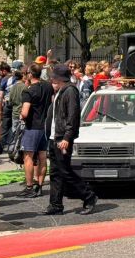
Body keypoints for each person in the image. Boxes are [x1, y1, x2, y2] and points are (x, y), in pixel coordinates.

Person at [44, 65, 97, 215]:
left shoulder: (70, 91)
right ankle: (55, 204)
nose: (51, 79)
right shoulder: (60, 91)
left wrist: (67, 137)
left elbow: (73, 116)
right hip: (54, 137)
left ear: (60, 78)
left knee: (65, 171)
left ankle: (88, 196)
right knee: (55, 172)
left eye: (54, 77)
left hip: (62, 138)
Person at [18, 64, 52, 198]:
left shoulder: (28, 91)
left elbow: (25, 113)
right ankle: (39, 185)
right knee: (42, 157)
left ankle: (29, 186)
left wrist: (20, 115)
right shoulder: (48, 86)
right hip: (45, 126)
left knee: (28, 157)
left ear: (30, 75)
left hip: (32, 127)